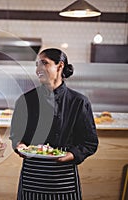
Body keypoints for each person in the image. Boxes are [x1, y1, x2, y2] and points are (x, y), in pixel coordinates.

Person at [10, 48, 99, 200]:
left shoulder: (78, 102)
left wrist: (71, 155)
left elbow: (90, 142)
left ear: (60, 66)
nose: (38, 69)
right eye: (37, 64)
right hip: (33, 175)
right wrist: (20, 145)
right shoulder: (25, 100)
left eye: (44, 63)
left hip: (63, 178)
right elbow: (16, 135)